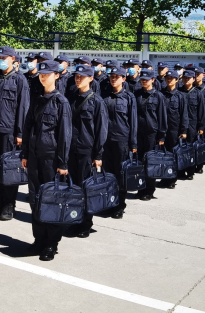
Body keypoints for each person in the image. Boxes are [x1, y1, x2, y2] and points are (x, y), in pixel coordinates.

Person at [21, 59, 72, 261]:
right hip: (34, 158)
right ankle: (38, 240)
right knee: (35, 200)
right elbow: (27, 128)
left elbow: (65, 136)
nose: (44, 76)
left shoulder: (62, 103)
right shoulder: (36, 99)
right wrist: (24, 153)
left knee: (52, 201)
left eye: (48, 74)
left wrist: (63, 163)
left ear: (56, 76)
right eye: (41, 73)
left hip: (51, 160)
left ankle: (51, 244)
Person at [0, 46, 29, 221]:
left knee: (10, 170)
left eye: (2, 57)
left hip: (9, 133)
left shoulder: (19, 80)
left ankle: (9, 205)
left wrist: (20, 133)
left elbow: (23, 108)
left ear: (12, 59)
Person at [67, 64, 108, 238]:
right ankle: (75, 219)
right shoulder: (71, 98)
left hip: (87, 151)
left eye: (82, 77)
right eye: (76, 76)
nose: (78, 79)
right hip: (71, 150)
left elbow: (102, 130)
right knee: (74, 187)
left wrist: (98, 155)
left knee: (86, 188)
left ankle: (86, 223)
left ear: (91, 78)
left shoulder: (97, 101)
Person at [101, 67, 137, 218]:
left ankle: (119, 206)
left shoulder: (129, 98)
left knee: (121, 175)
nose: (113, 79)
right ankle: (110, 203)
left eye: (117, 77)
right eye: (112, 76)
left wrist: (133, 144)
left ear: (124, 79)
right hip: (106, 142)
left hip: (122, 142)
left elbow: (133, 122)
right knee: (108, 176)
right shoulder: (104, 97)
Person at [134, 68, 166, 200]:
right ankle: (140, 187)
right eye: (142, 80)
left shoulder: (158, 96)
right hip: (138, 134)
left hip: (151, 135)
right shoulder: (137, 94)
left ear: (153, 80)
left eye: (146, 80)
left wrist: (162, 136)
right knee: (139, 163)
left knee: (150, 163)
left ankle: (149, 190)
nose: (144, 82)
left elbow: (162, 117)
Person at [158, 69, 189, 189]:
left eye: (171, 78)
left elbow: (184, 115)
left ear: (177, 80)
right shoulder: (160, 94)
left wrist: (183, 131)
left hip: (174, 131)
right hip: (162, 130)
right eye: (167, 78)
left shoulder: (181, 96)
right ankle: (163, 177)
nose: (168, 80)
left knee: (173, 156)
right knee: (163, 155)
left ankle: (171, 179)